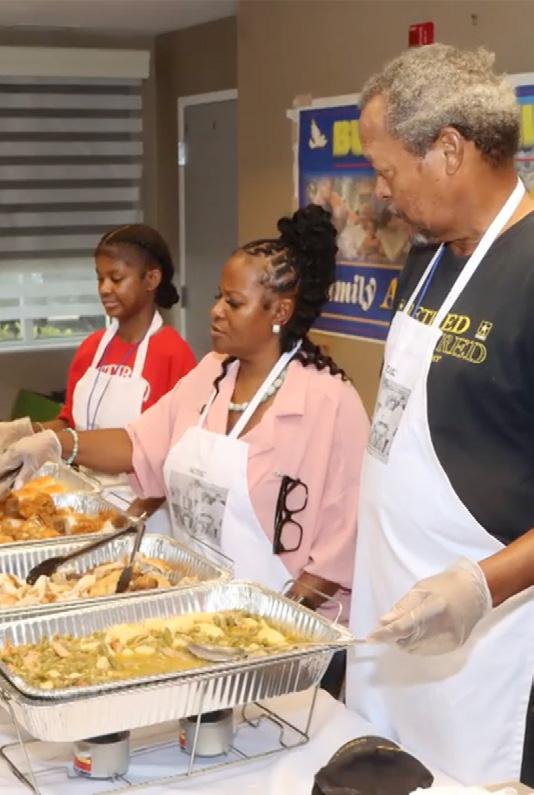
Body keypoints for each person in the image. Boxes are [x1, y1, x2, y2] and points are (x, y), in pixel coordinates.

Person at [0, 206, 369, 633]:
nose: (216, 311)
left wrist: (274, 628)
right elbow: (139, 444)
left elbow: (339, 546)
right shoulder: (212, 374)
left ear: (280, 312)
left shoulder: (331, 403)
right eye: (218, 297)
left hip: (281, 625)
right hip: (197, 609)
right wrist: (55, 442)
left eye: (233, 303)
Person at [345, 43, 534, 786]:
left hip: (489, 638)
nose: (381, 192)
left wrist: (480, 586)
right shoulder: (425, 258)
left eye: (388, 170)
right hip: (392, 607)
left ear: (450, 150)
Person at [0, 224, 196, 523]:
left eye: (116, 278)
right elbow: (70, 422)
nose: (104, 288)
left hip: (144, 513)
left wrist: (127, 520)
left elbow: (173, 455)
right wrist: (26, 431)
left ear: (151, 279)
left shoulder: (174, 355)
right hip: (84, 500)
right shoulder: (91, 349)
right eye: (100, 278)